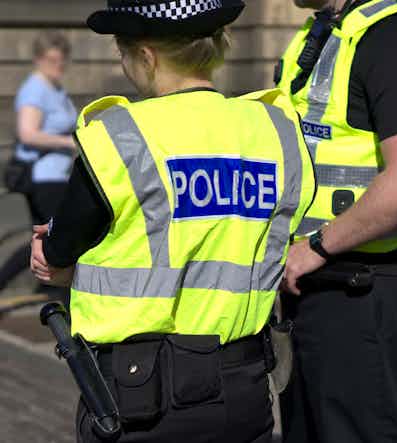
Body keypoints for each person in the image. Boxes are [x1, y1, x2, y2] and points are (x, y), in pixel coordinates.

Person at [29, 1, 315, 442]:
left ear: (147, 55)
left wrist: (50, 257)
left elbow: (58, 255)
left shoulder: (120, 136)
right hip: (245, 387)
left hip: (142, 397)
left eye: (122, 52)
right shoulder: (275, 128)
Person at [276, 0, 397, 442]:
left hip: (363, 295)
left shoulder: (396, 39)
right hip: (317, 291)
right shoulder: (324, 31)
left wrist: (316, 246)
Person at [0, 32, 76, 293]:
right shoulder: (35, 89)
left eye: (62, 60)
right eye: (53, 60)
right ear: (39, 60)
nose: (59, 66)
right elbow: (28, 133)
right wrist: (68, 143)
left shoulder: (56, 88)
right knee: (57, 238)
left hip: (57, 176)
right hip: (46, 179)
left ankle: (53, 293)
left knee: (44, 240)